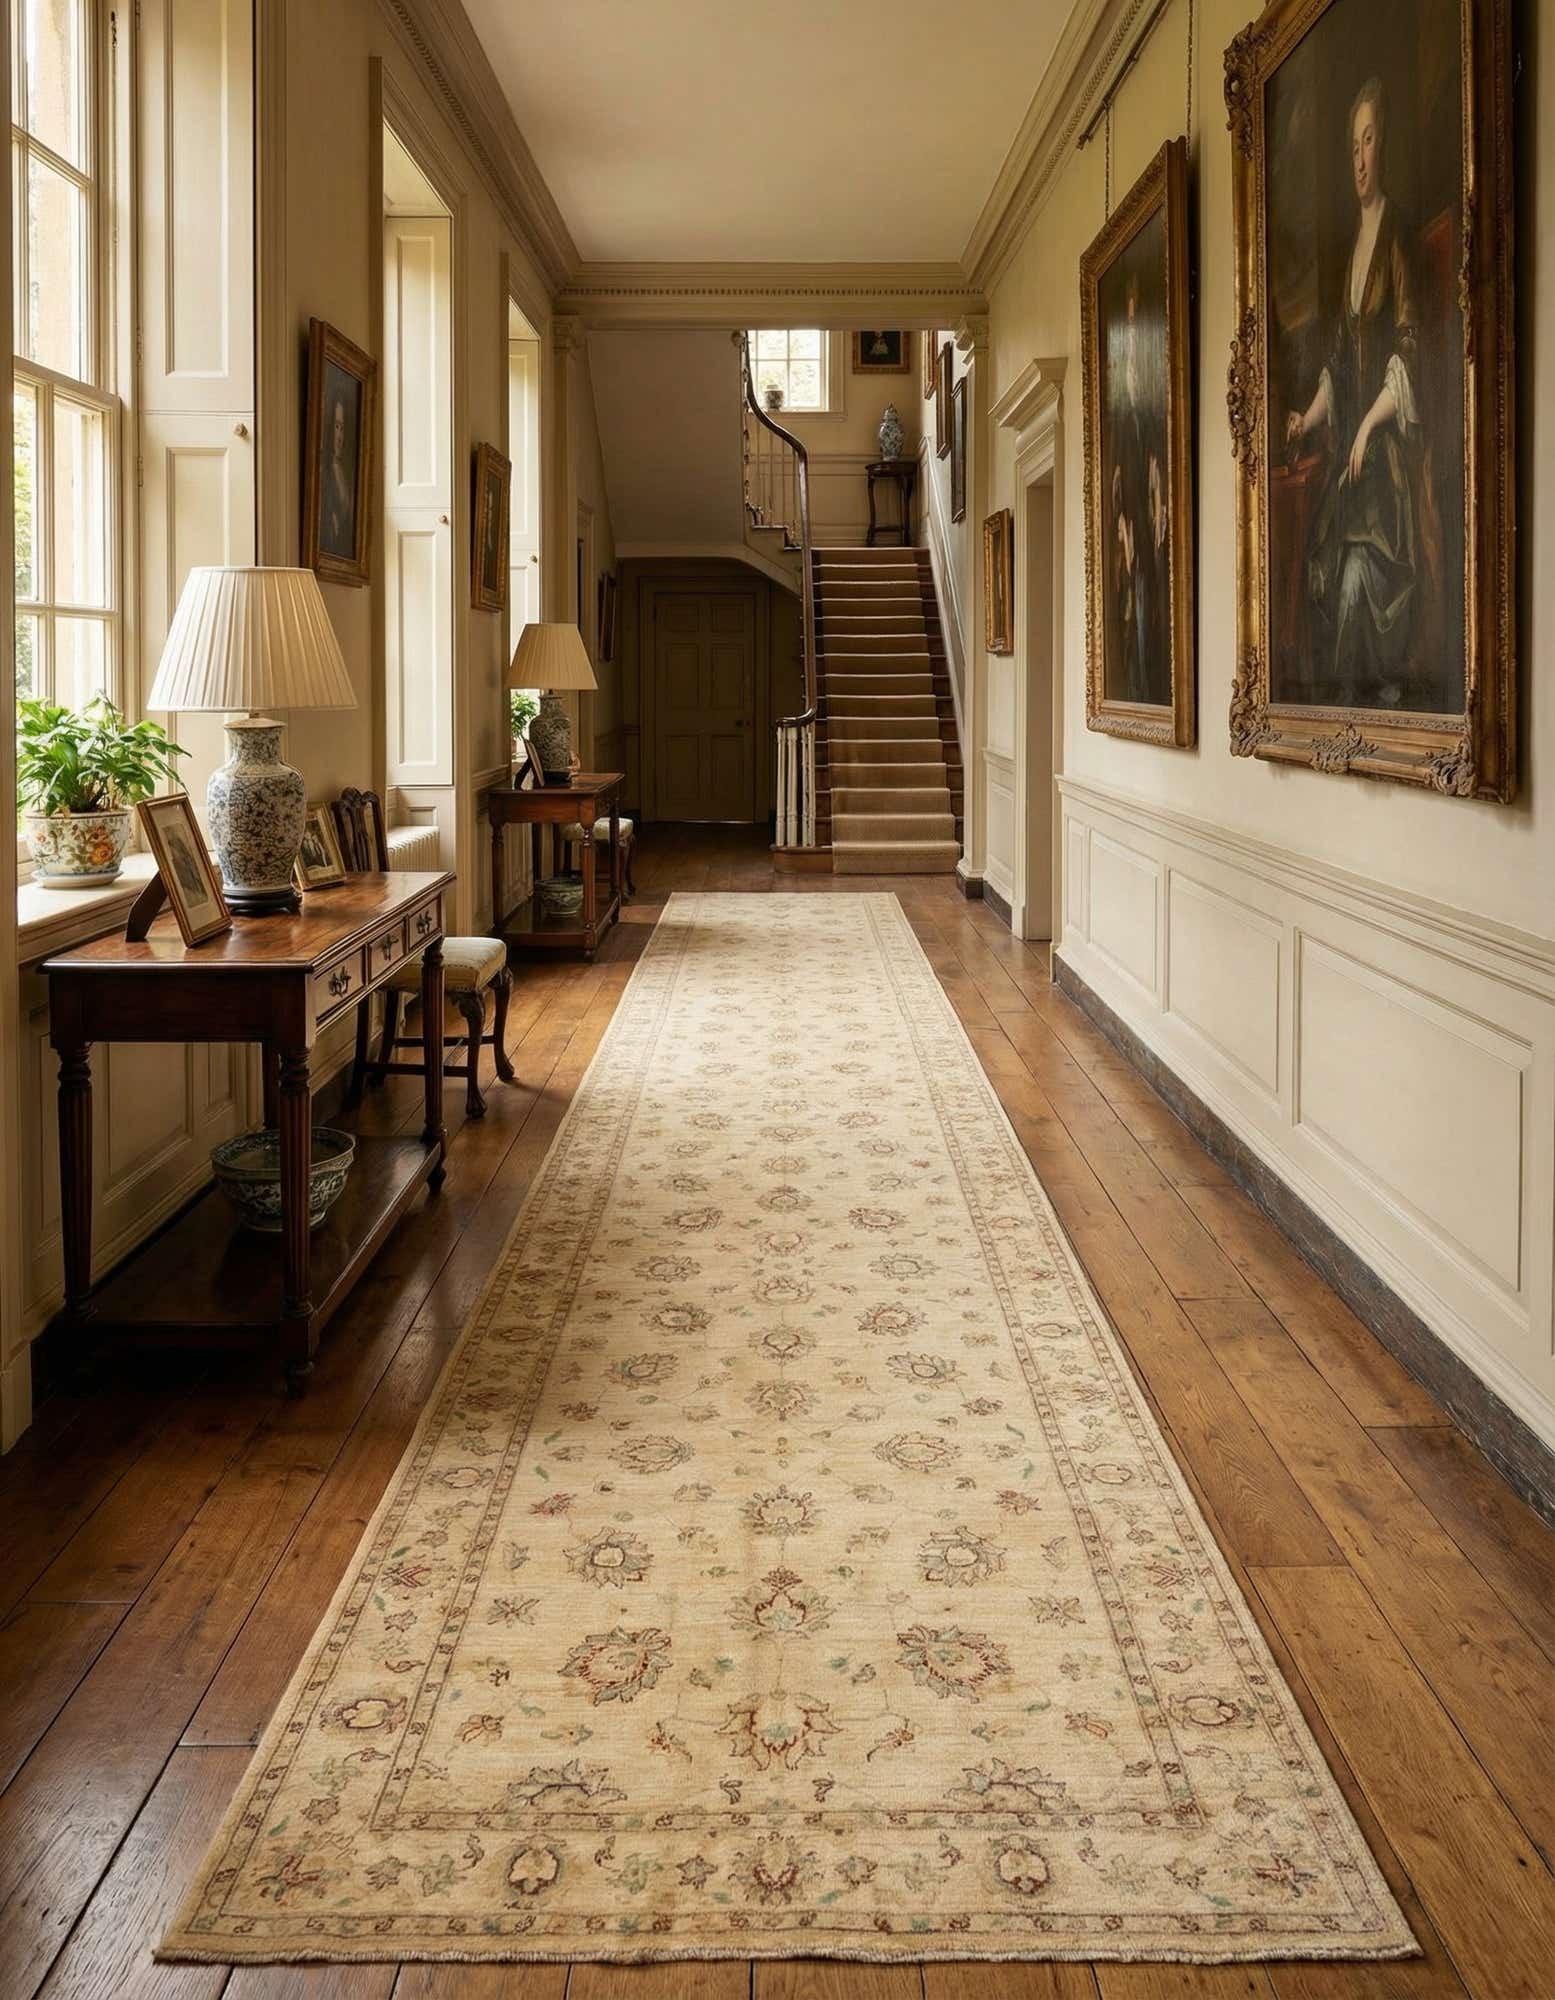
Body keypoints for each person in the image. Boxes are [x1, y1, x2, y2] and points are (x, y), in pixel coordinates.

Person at [1283, 76, 1425, 708]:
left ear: (1384, 145)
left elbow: (1410, 351)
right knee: (1322, 567)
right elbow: (1338, 366)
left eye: (1369, 141)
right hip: (1352, 460)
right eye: (1353, 147)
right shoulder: (1351, 255)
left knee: (1356, 574)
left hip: (1387, 453)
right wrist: (1307, 418)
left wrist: (1368, 427)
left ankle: (1367, 698)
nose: (1360, 160)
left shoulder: (1398, 236)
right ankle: (1346, 701)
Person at [1106, 274, 1169, 704]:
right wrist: (1124, 520)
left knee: (1149, 592)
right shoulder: (1123, 407)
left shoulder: (1149, 394)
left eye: (1134, 323)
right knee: (1136, 596)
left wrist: (1156, 497)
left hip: (1147, 512)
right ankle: (1142, 679)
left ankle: (1149, 681)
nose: (1130, 333)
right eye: (1126, 324)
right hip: (1132, 516)